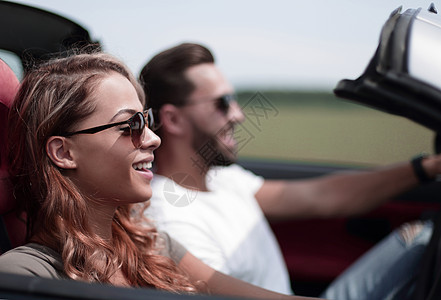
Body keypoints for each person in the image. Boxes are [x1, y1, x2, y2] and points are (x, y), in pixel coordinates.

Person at [0, 52, 320, 300]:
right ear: (64, 153)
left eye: (147, 120)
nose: (153, 138)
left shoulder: (153, 246)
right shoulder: (24, 275)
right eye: (130, 126)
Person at [139, 42, 439, 299]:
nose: (239, 115)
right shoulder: (172, 217)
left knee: (420, 234)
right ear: (174, 120)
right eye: (222, 103)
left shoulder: (223, 180)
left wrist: (427, 167)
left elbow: (323, 196)